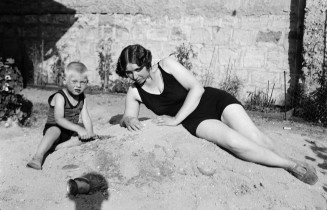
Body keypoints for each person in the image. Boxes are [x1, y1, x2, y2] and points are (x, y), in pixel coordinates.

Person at [115, 44, 318, 185]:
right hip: (194, 119)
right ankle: (290, 165)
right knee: (234, 142)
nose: (133, 76)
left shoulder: (166, 65)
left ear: (146, 62)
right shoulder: (134, 92)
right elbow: (127, 117)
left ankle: (288, 159)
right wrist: (129, 119)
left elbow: (197, 88)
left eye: (136, 70)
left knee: (255, 137)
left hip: (211, 100)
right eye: (128, 73)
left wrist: (175, 119)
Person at [26, 62, 95, 170]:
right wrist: (78, 128)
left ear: (87, 82)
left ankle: (56, 147)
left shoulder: (82, 98)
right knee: (55, 131)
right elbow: (58, 119)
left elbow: (86, 116)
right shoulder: (60, 96)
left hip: (68, 132)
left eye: (82, 82)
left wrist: (90, 133)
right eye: (74, 81)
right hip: (54, 127)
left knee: (82, 140)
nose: (78, 85)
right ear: (65, 80)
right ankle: (38, 157)